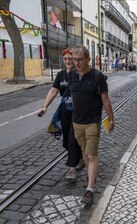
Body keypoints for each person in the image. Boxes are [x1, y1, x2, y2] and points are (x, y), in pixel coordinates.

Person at [69, 45, 115, 205]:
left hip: (92, 123)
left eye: (79, 60)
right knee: (84, 153)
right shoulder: (72, 75)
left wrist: (111, 120)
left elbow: (106, 100)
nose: (76, 63)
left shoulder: (98, 77)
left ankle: (89, 189)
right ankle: (90, 173)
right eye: (74, 59)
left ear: (88, 59)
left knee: (92, 155)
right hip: (77, 122)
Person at [37, 48, 83, 181]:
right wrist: (44, 107)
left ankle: (72, 168)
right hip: (64, 110)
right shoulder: (61, 75)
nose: (68, 61)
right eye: (65, 59)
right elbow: (53, 91)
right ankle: (80, 158)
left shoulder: (80, 73)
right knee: (66, 141)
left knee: (72, 139)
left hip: (78, 111)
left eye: (70, 58)